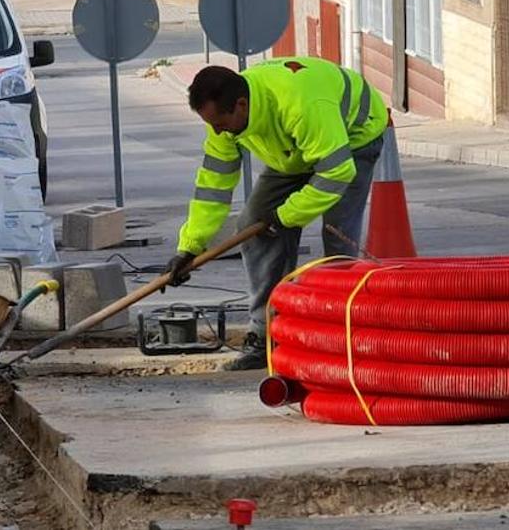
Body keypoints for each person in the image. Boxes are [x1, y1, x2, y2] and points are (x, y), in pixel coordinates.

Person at [166, 57, 388, 371]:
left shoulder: (300, 105)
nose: (217, 130)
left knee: (338, 239)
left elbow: (336, 173)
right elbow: (213, 187)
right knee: (253, 224)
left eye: (220, 123)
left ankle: (343, 337)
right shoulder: (223, 119)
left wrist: (286, 217)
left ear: (241, 106)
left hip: (351, 141)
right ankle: (268, 333)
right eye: (211, 124)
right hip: (294, 152)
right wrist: (190, 246)